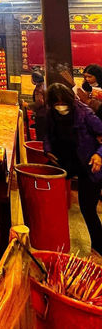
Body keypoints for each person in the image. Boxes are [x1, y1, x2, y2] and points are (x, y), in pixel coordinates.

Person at [44, 83, 102, 255]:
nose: (60, 106)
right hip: (66, 161)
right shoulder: (51, 114)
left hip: (89, 164)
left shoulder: (85, 113)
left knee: (88, 208)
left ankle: (99, 247)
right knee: (45, 190)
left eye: (63, 102)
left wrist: (99, 154)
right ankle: (52, 241)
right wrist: (47, 150)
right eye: (56, 103)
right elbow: (47, 135)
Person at [31, 68, 47, 141]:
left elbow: (40, 102)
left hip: (41, 115)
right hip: (46, 115)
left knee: (40, 136)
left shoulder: (39, 88)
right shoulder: (44, 85)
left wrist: (28, 105)